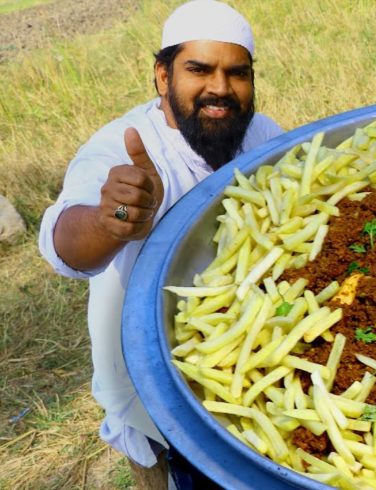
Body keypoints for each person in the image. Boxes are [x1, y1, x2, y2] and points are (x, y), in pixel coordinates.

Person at [38, 1, 283, 487]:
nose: (220, 87)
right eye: (199, 69)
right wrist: (115, 221)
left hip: (259, 363)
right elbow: (62, 244)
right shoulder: (122, 146)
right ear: (162, 76)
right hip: (159, 382)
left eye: (238, 73)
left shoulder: (262, 134)